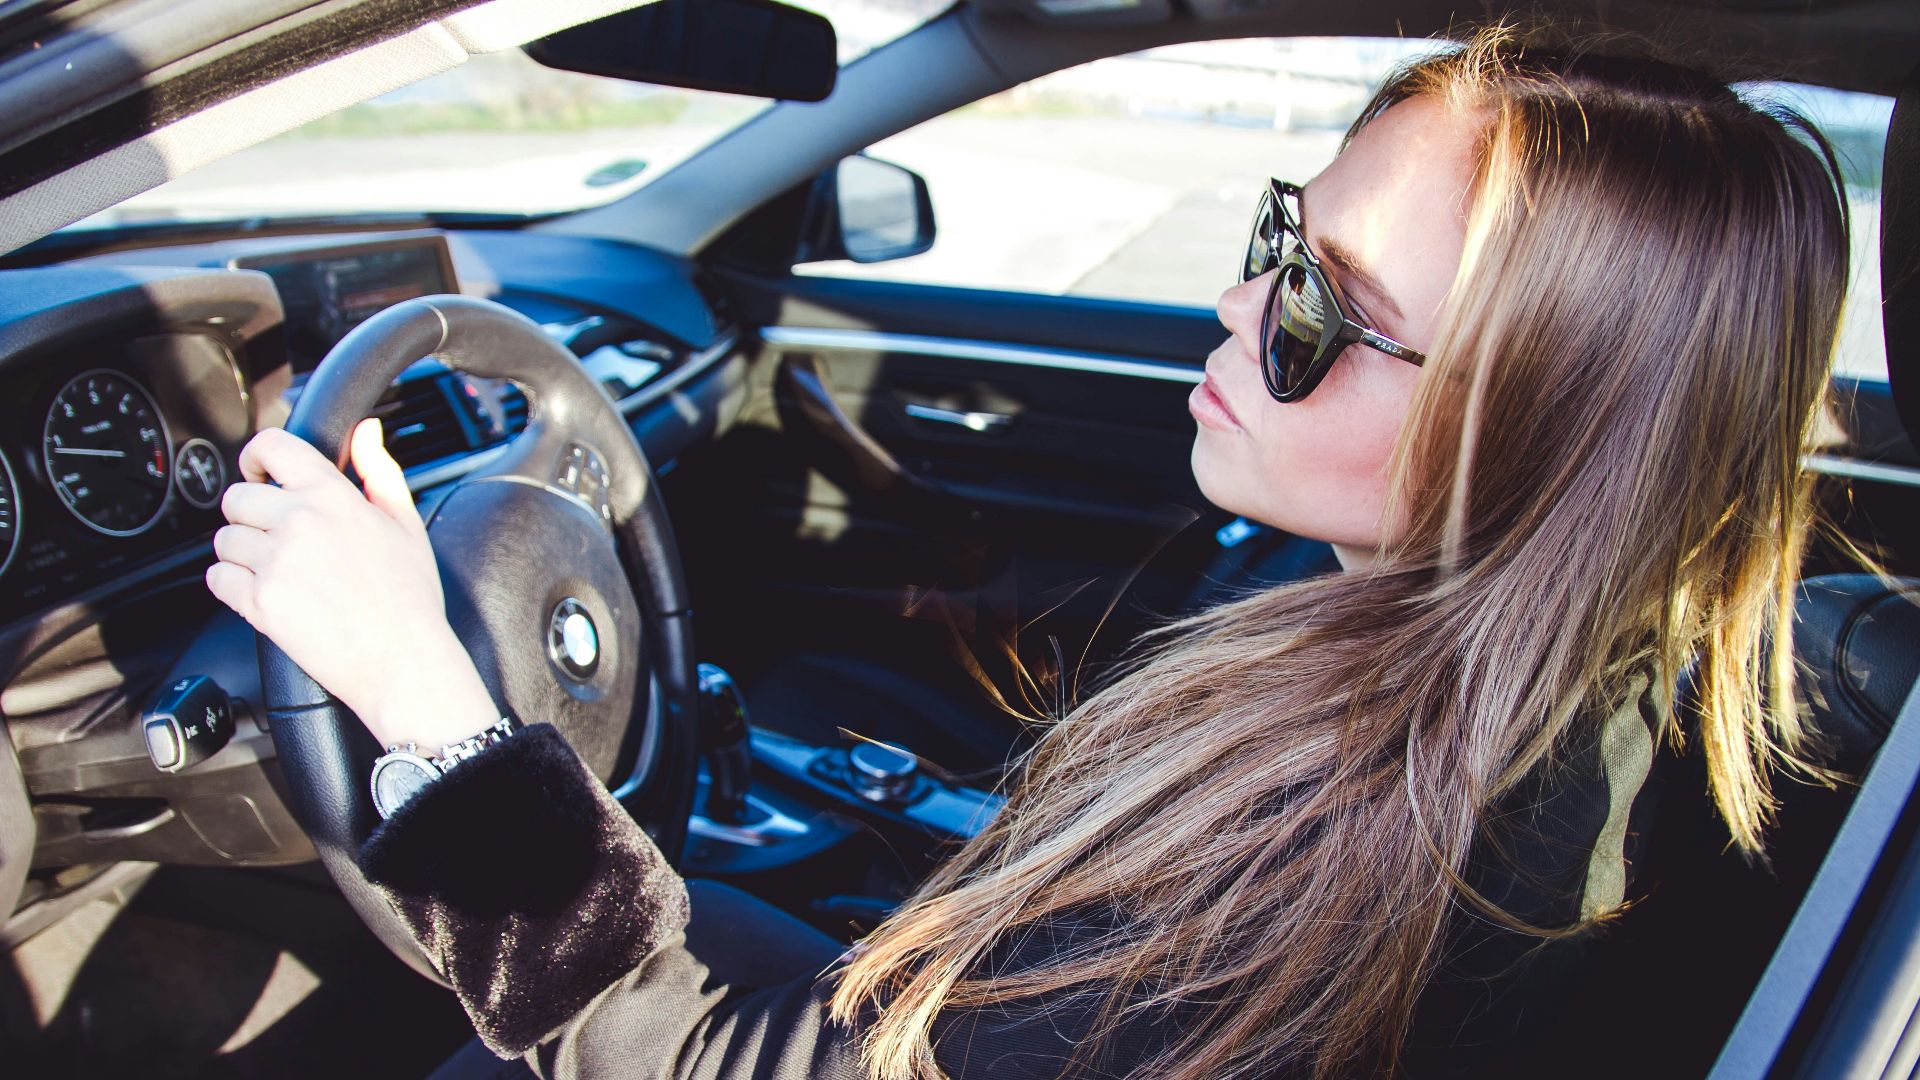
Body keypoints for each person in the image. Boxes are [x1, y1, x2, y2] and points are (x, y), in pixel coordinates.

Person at [204, 28, 1851, 1080]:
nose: (1236, 301)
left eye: (1323, 309)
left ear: (1536, 428)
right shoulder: (1558, 686)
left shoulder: (1346, 841)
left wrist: (427, 699)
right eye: (1284, 232)